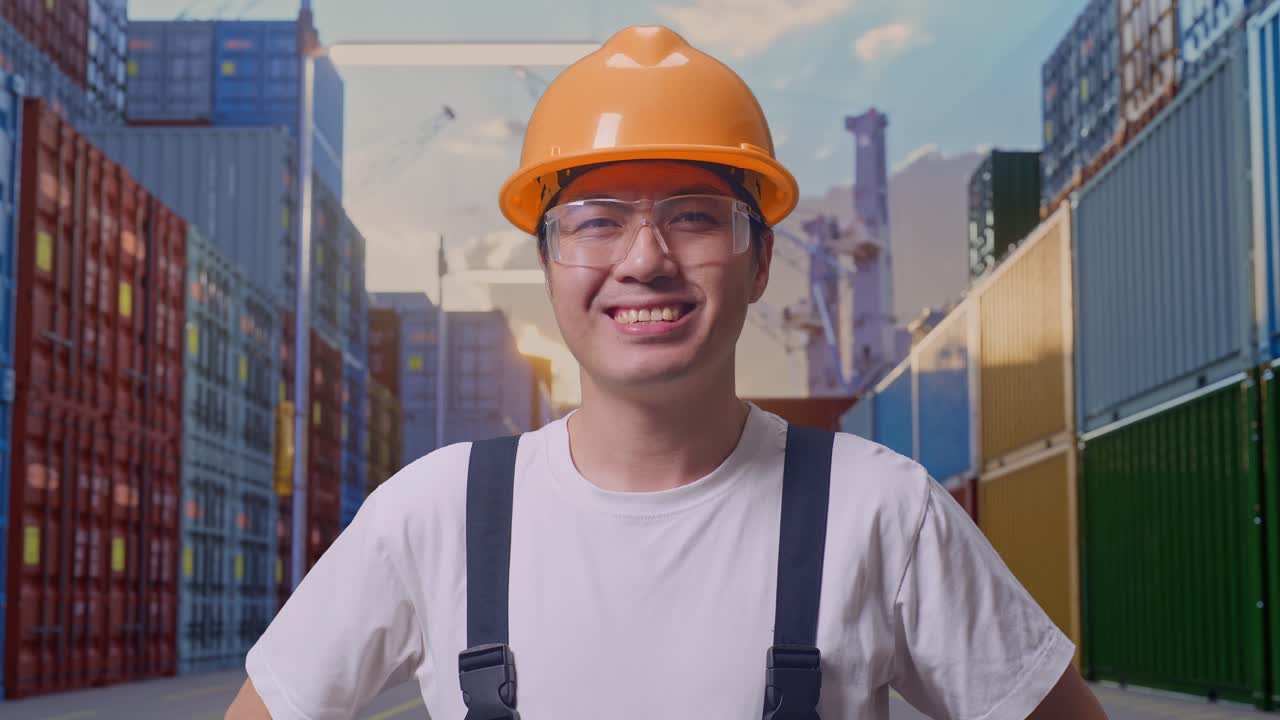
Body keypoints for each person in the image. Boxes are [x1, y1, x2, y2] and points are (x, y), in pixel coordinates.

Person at [227, 25, 1108, 720]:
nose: (644, 260)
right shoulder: (429, 518)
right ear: (547, 263)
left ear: (761, 262)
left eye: (694, 217)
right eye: (597, 221)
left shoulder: (884, 513)